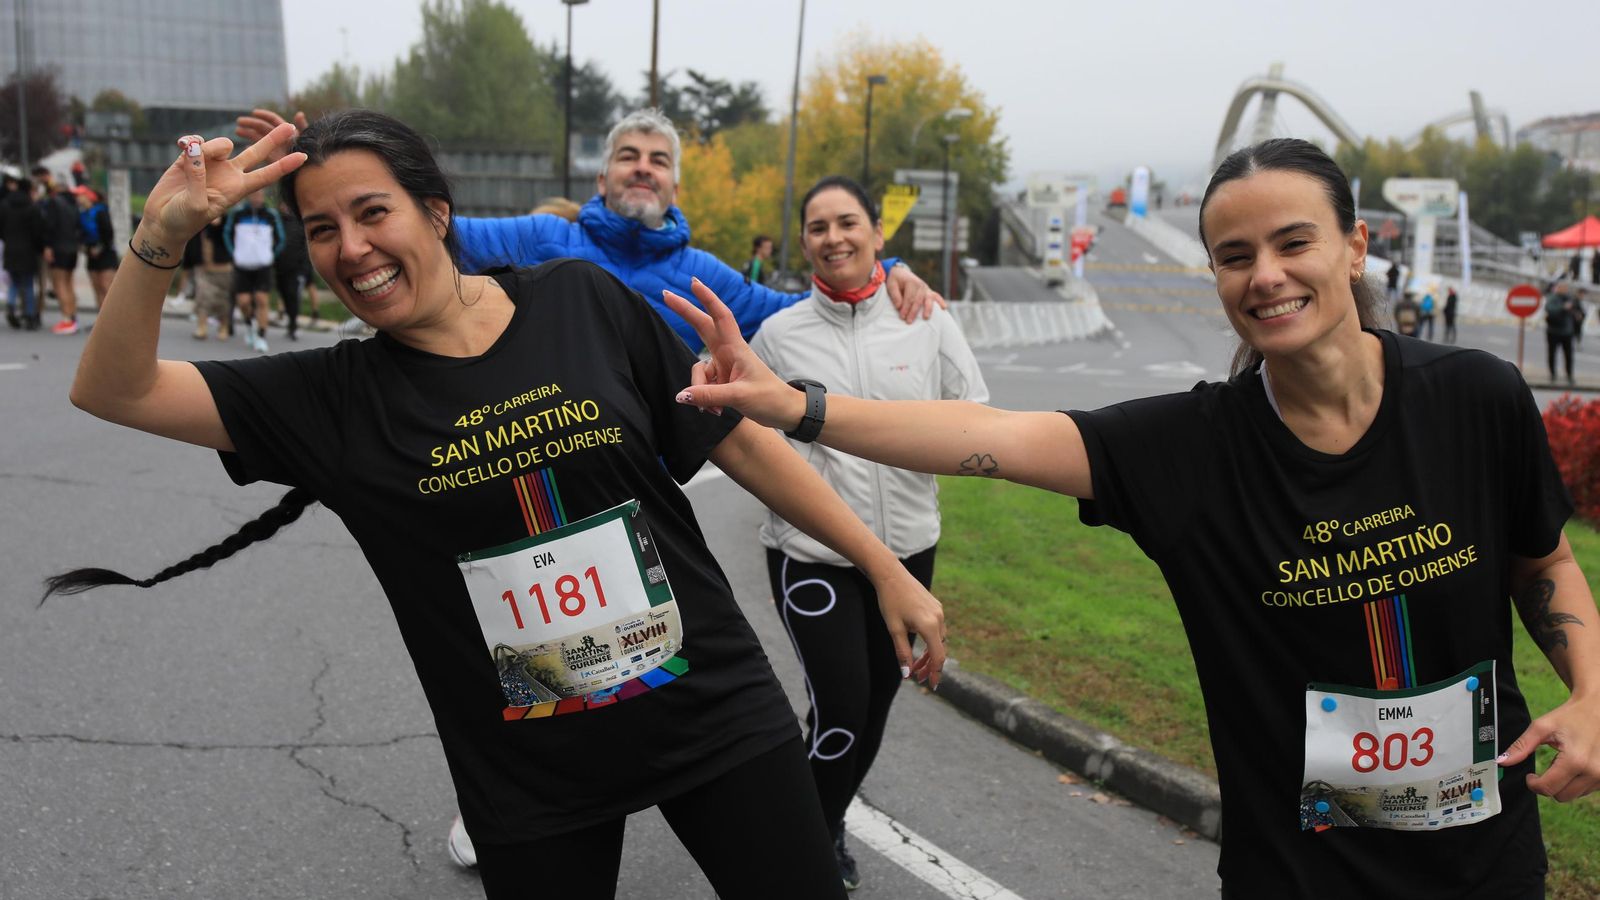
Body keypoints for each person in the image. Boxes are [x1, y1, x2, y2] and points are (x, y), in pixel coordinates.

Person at [666, 137, 1600, 899]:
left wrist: (1593, 691)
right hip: (1300, 875)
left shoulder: (1475, 397)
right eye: (1235, 257)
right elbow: (983, 433)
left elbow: (1542, 562)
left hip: (1488, 863)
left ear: (1356, 246)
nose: (1265, 276)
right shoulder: (1190, 448)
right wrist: (796, 408)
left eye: (1293, 243)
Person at [49, 111, 947, 900]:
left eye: (372, 212)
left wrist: (881, 568)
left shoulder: (581, 301)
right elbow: (114, 388)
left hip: (709, 704)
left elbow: (740, 443)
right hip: (530, 768)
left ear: (435, 213)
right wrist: (159, 235)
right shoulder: (330, 397)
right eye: (322, 229)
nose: (350, 248)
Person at [237, 107, 944, 352]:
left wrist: (893, 272)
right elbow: (426, 229)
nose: (643, 169)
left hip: (654, 492)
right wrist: (325, 158)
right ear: (602, 178)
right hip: (544, 484)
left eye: (658, 161)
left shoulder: (707, 277)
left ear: (675, 184)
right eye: (627, 158)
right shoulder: (545, 240)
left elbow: (809, 313)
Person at [748, 176, 987, 891]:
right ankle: (809, 847)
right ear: (805, 243)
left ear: (879, 234)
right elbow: (752, 446)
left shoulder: (929, 320)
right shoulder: (779, 334)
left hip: (910, 549)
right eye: (817, 227)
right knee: (842, 708)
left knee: (874, 703)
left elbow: (974, 415)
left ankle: (820, 817)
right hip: (812, 554)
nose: (834, 238)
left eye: (847, 222)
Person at [223, 190, 286, 352]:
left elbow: (281, 238)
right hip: (242, 265)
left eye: (260, 195)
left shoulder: (270, 215)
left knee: (261, 299)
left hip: (263, 266)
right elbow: (227, 234)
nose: (257, 197)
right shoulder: (237, 213)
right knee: (243, 302)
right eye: (254, 194)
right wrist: (234, 253)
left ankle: (261, 336)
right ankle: (250, 326)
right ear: (249, 195)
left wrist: (271, 254)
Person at [2, 172, 44, 330]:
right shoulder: (31, 207)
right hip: (28, 249)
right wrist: (40, 247)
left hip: (11, 248)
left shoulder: (5, 205)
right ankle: (30, 314)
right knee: (27, 284)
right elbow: (37, 231)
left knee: (14, 282)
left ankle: (11, 306)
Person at [40, 181, 83, 334]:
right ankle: (73, 316)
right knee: (69, 283)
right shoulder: (73, 204)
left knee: (59, 284)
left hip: (58, 247)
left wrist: (47, 245)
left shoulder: (54, 202)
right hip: (72, 248)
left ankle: (66, 319)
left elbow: (49, 226)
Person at [272, 196, 311, 340]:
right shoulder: (276, 222)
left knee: (292, 296)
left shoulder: (299, 224)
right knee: (283, 295)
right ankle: (290, 320)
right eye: (283, 204)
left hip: (295, 269)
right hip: (279, 267)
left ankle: (293, 324)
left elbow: (306, 248)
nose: (285, 207)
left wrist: (304, 269)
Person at [75, 186, 118, 311]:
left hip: (105, 253)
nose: (78, 198)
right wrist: (85, 248)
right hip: (91, 254)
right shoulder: (82, 214)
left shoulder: (101, 211)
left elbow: (108, 233)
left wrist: (99, 248)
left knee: (107, 287)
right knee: (97, 287)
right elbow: (79, 235)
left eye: (80, 195)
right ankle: (100, 320)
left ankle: (112, 320)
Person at [1545, 285, 1578, 387]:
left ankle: (1569, 375)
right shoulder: (1552, 298)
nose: (1564, 290)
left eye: (1566, 288)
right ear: (1557, 288)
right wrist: (1563, 308)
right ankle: (1553, 374)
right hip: (1554, 331)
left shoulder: (1569, 298)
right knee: (1552, 353)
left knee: (1569, 355)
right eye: (1562, 288)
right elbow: (1550, 310)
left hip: (1567, 332)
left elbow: (1577, 310)